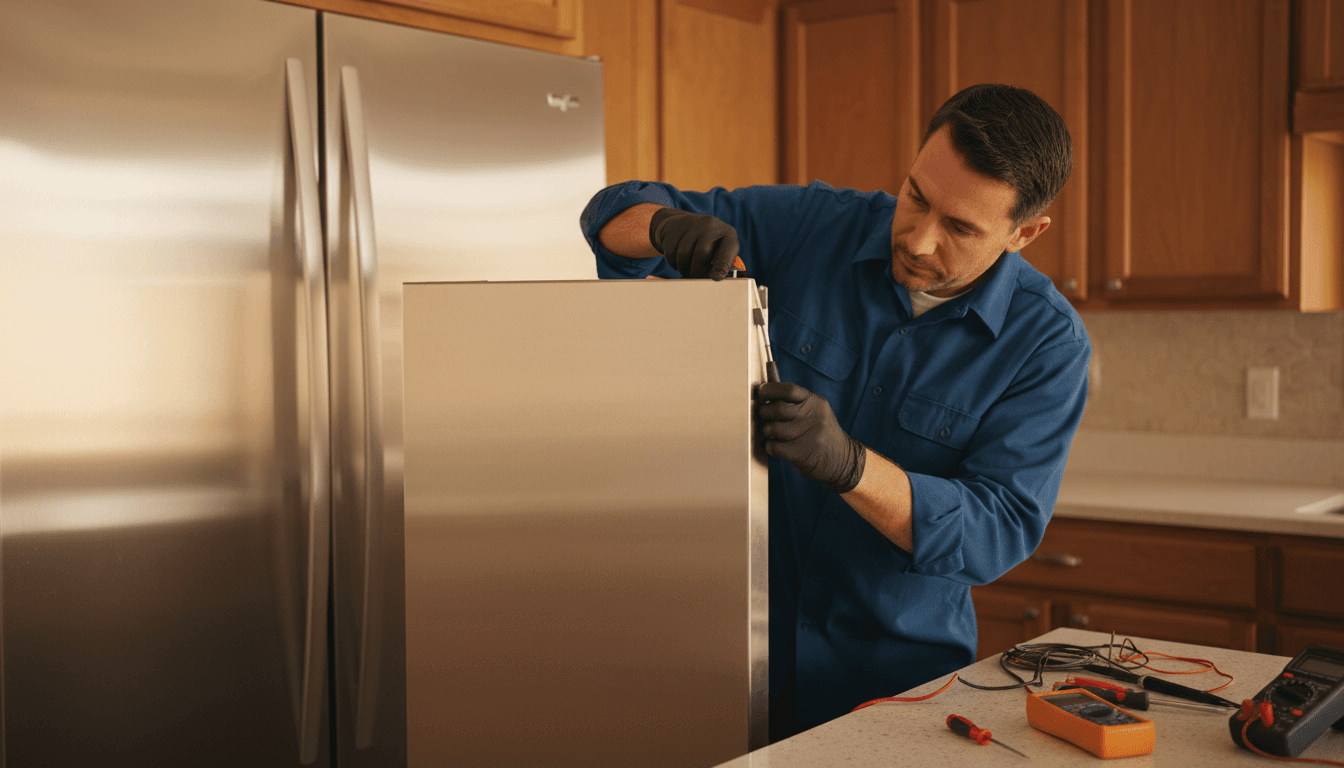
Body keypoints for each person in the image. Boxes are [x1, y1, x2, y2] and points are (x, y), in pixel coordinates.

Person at [578, 83, 1091, 742]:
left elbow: (996, 530)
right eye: (916, 197)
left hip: (894, 689)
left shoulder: (1046, 344)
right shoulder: (817, 225)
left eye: (960, 227)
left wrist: (851, 467)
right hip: (723, 654)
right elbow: (611, 214)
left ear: (1026, 233)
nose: (920, 239)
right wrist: (662, 226)